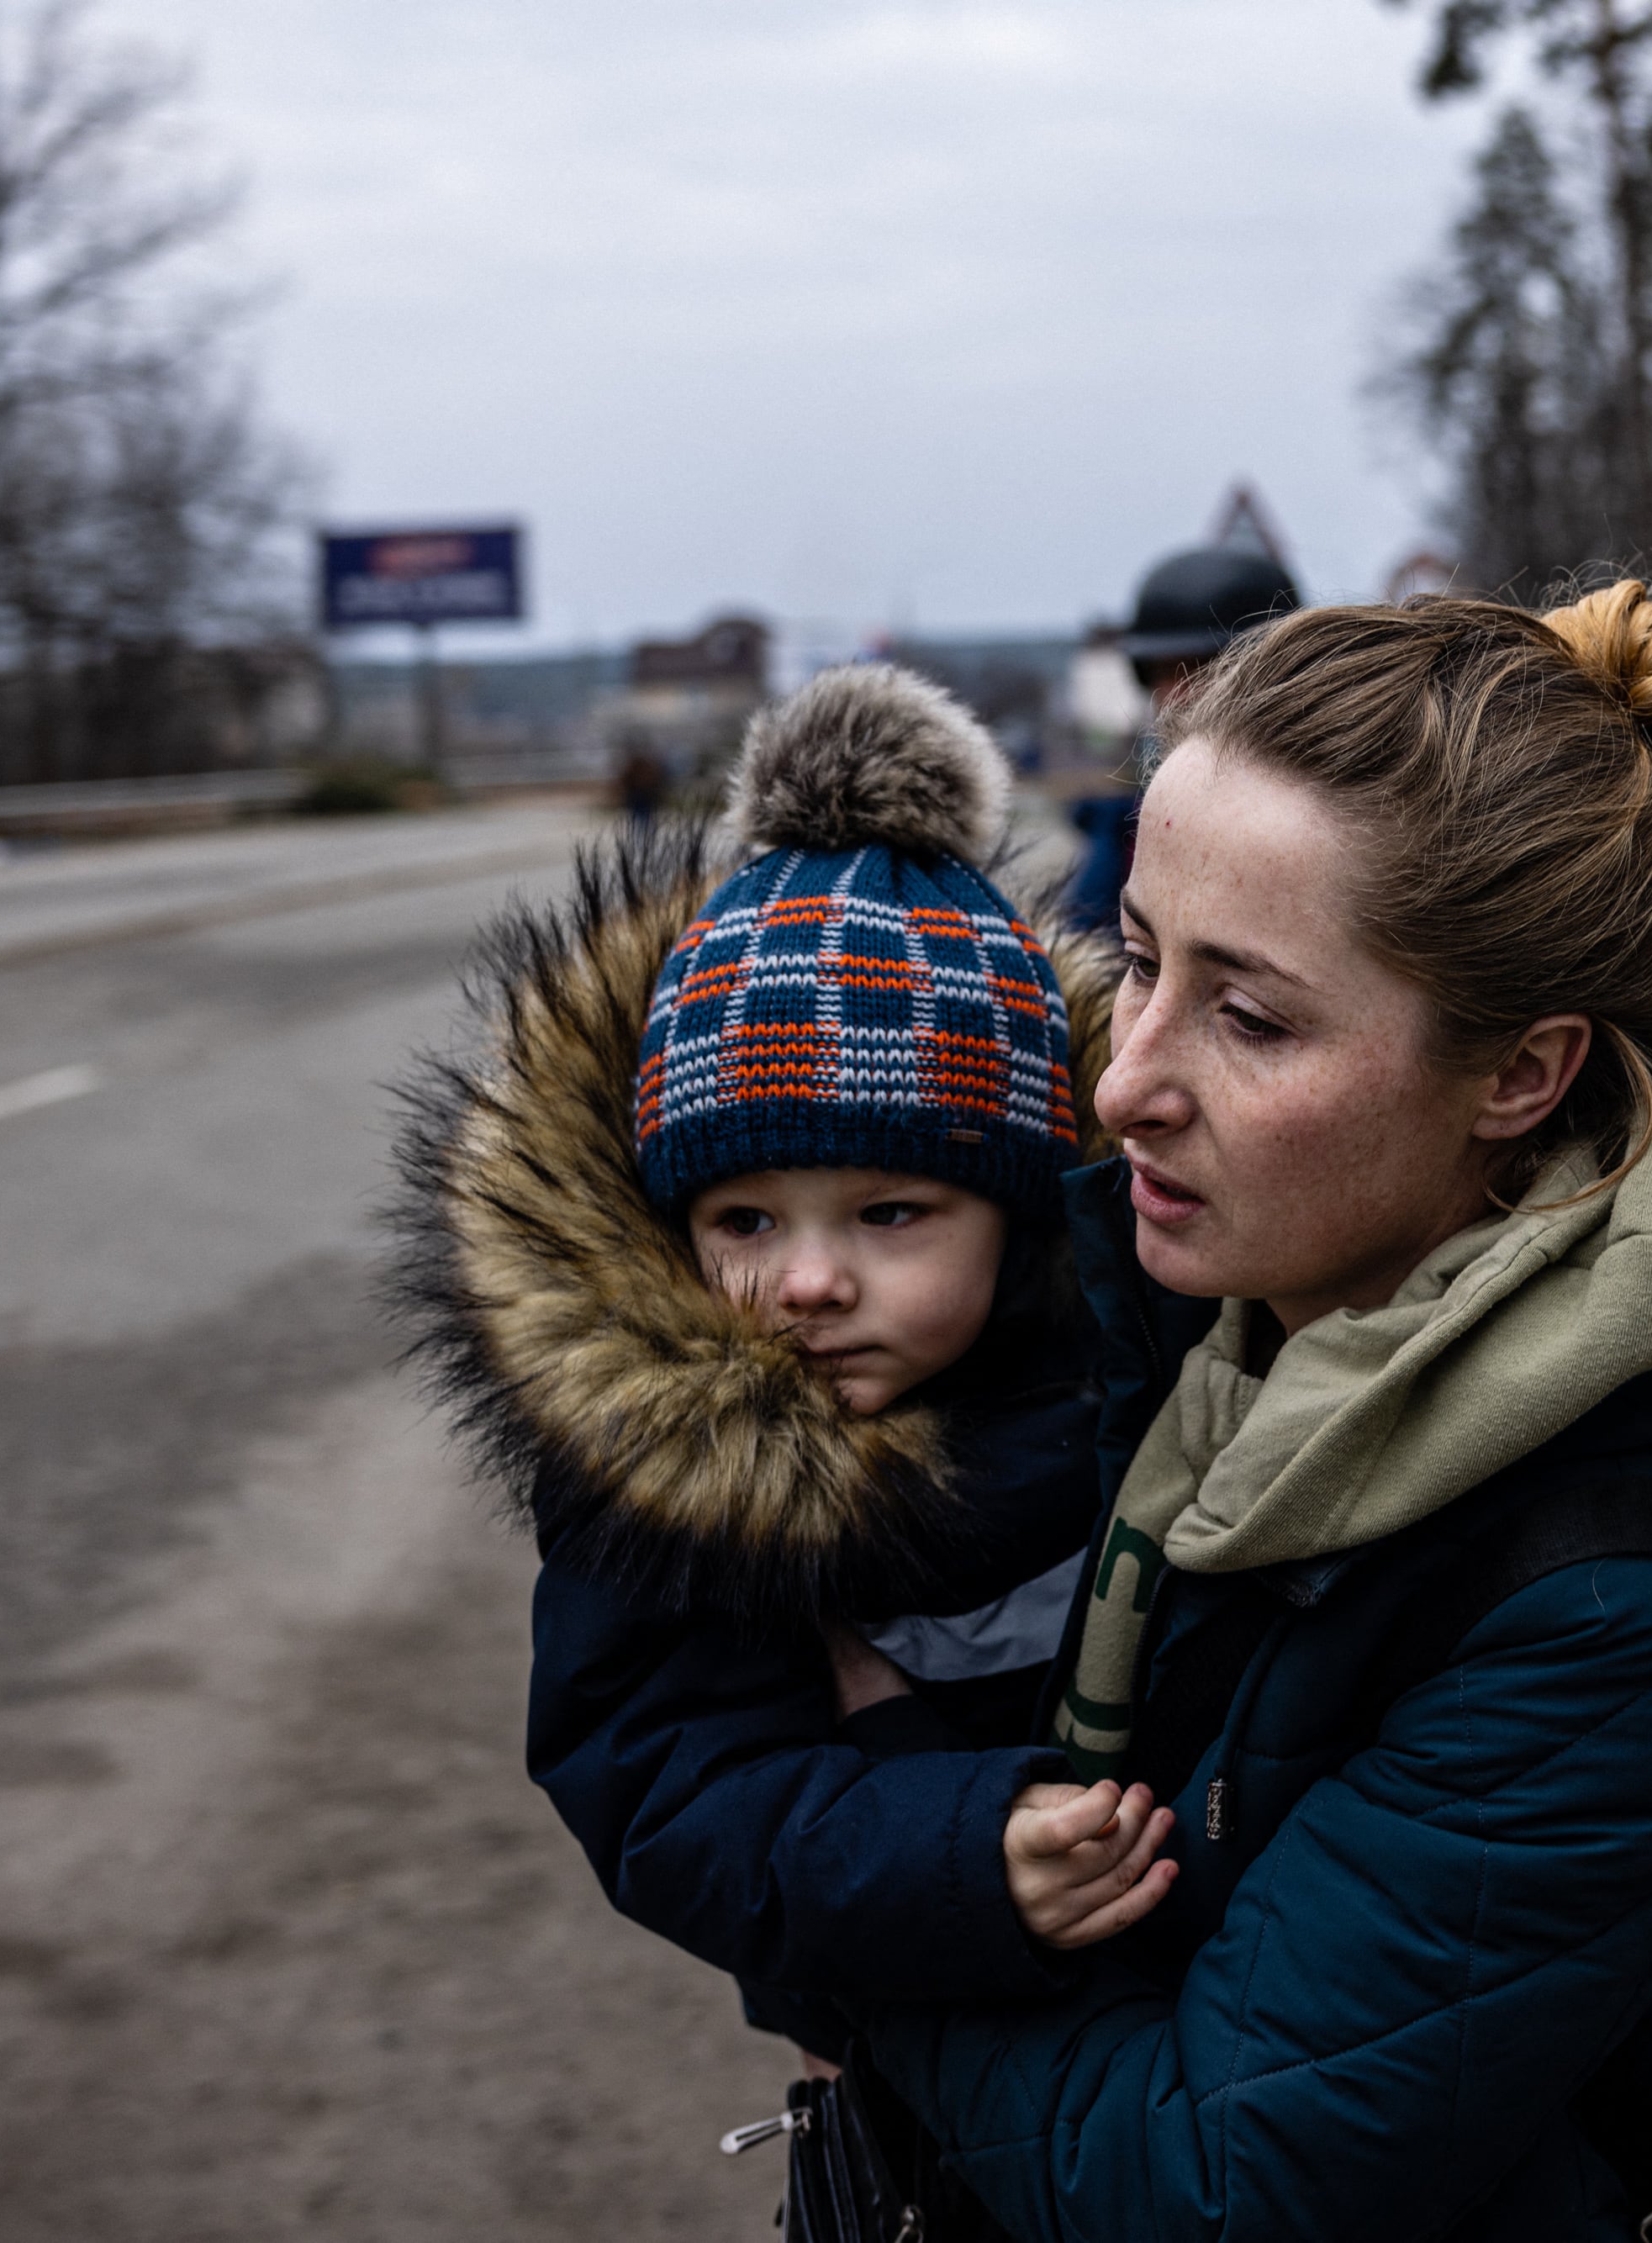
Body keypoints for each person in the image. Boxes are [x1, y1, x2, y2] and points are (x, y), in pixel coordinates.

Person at [541, 581, 1652, 2238]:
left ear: (1520, 1075)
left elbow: (1206, 2185)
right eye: (1136, 960)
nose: (1123, 1076)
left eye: (1249, 1014)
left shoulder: (1621, 1622)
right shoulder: (1212, 1313)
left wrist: (873, 1861)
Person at [390, 665, 1168, 2053]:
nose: (807, 1280)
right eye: (743, 1219)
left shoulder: (1157, 1376)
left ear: (1030, 1209)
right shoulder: (674, 1465)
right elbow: (671, 1788)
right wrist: (955, 1855)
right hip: (904, 2051)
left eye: (891, 1213)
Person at [1058, 543, 1300, 933]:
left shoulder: (1334, 826)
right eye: (1165, 671)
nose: (1179, 694)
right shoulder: (1122, 838)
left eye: (1205, 668)